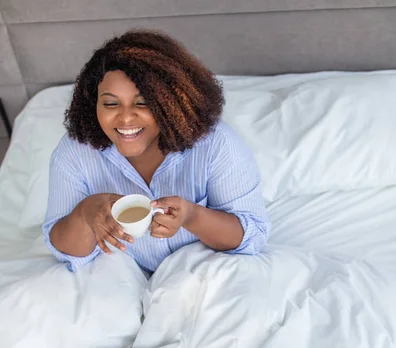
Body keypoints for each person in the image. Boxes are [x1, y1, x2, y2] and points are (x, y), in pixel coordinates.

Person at [43, 30, 269, 274]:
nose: (126, 117)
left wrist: (192, 216)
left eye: (142, 103)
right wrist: (85, 213)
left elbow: (252, 235)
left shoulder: (216, 144)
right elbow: (63, 249)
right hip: (119, 280)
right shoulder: (75, 151)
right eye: (111, 103)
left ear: (171, 104)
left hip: (202, 275)